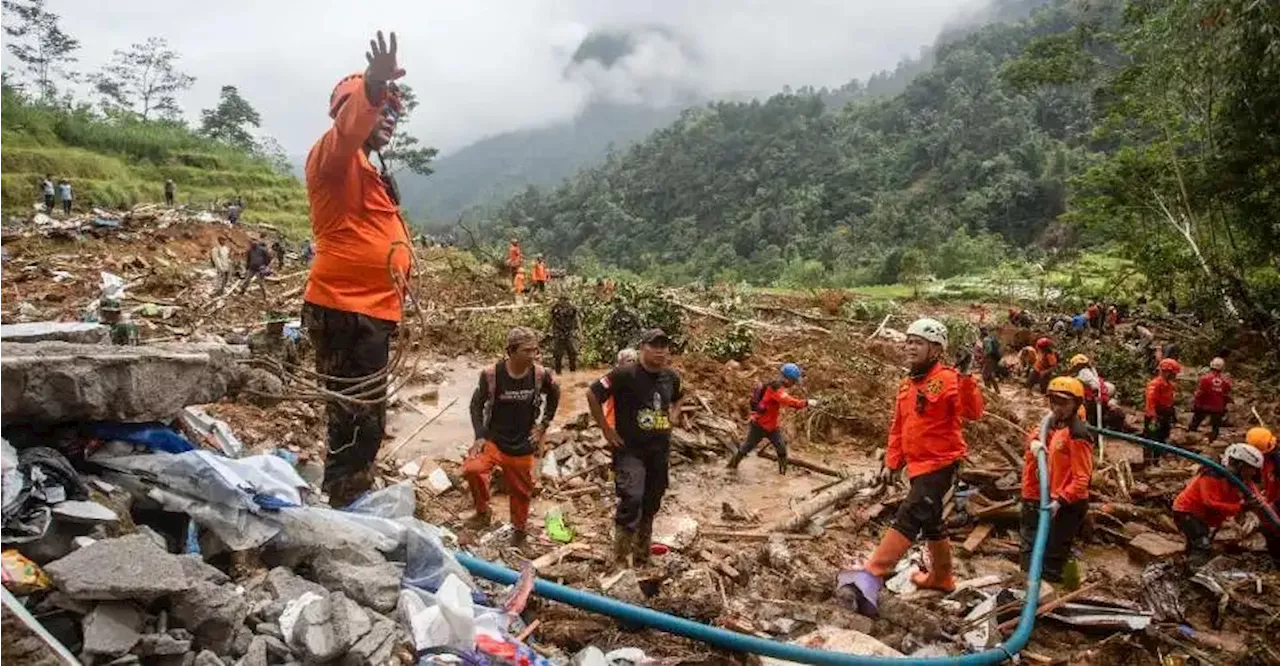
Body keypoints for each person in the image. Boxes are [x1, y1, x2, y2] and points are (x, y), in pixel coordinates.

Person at [302, 31, 413, 506]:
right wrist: (373, 84)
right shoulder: (333, 158)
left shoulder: (368, 169)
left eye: (393, 111)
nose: (388, 118)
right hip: (347, 309)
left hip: (369, 311)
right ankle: (345, 504)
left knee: (364, 415)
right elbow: (349, 127)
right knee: (357, 418)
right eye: (379, 109)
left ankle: (349, 494)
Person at [844, 318, 983, 617]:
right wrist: (893, 462)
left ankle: (872, 573)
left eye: (917, 343)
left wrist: (967, 376)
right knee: (932, 521)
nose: (909, 347)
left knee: (911, 513)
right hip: (918, 465)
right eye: (908, 341)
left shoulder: (948, 379)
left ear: (935, 350)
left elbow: (973, 412)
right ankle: (942, 577)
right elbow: (898, 427)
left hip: (942, 464)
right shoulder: (907, 385)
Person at [587, 329, 685, 567]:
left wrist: (674, 413)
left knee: (652, 501)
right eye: (655, 346)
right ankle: (620, 559)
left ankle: (642, 556)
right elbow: (593, 393)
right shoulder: (624, 374)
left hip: (659, 451)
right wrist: (606, 429)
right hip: (629, 450)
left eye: (665, 346)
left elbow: (680, 396)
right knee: (632, 497)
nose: (661, 351)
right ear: (643, 347)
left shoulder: (670, 376)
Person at [463, 326, 560, 548]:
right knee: (472, 470)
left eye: (535, 350)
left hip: (523, 442)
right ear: (511, 351)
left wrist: (543, 426)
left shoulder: (540, 375)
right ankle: (482, 512)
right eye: (527, 350)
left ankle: (519, 532)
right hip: (494, 439)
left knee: (521, 492)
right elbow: (476, 405)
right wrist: (479, 436)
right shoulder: (491, 375)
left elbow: (555, 394)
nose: (533, 355)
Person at [1019, 377, 1094, 583]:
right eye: (1054, 401)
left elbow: (1082, 479)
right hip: (1053, 497)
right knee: (1035, 545)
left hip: (1067, 504)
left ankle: (1045, 596)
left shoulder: (1077, 435)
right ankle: (1028, 585)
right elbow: (1035, 435)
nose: (1057, 407)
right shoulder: (1054, 424)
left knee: (1053, 553)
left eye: (1063, 403)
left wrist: (1060, 501)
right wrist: (1034, 443)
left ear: (1076, 404)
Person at [1174, 443, 1262, 565]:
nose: (1253, 473)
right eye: (1250, 469)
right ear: (1240, 464)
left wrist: (1257, 504)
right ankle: (1193, 572)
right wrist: (1240, 507)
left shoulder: (1240, 479)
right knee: (1201, 544)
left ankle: (1186, 566)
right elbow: (1210, 502)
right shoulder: (1212, 474)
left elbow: (1257, 497)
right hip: (1187, 511)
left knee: (1197, 543)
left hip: (1203, 516)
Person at [726, 363, 815, 475]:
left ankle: (782, 475)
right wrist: (806, 403)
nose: (793, 384)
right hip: (759, 425)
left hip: (771, 426)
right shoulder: (775, 389)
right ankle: (730, 468)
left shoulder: (774, 386)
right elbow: (789, 402)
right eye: (793, 381)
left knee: (781, 449)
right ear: (787, 379)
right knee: (746, 448)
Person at [1247, 428, 1280, 563]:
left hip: (1276, 503)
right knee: (1267, 527)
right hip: (1271, 499)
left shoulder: (1278, 461)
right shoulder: (1264, 460)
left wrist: (1275, 505)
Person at [1190, 357, 1232, 442]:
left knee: (1194, 423)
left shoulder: (1205, 379)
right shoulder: (1226, 382)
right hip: (1218, 408)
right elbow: (1226, 395)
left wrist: (1194, 403)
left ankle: (1190, 437)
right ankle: (1212, 441)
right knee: (1215, 428)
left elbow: (1200, 393)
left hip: (1203, 406)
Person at [1144, 358, 1181, 456]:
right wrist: (1153, 416)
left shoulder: (1168, 385)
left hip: (1165, 415)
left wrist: (1173, 416)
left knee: (1162, 437)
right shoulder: (1155, 384)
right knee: (1152, 438)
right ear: (1167, 372)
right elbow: (1150, 401)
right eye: (1173, 373)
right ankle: (1148, 461)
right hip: (1155, 415)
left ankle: (1157, 459)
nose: (1175, 375)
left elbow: (1169, 401)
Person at [600, 348, 638, 430]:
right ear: (620, 363)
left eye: (634, 361)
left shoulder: (637, 377)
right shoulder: (612, 377)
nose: (632, 363)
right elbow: (595, 394)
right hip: (613, 422)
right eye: (629, 360)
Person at [1067, 354, 1107, 427]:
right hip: (1098, 399)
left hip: (1094, 400)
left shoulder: (1084, 372)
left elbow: (1094, 385)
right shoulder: (1090, 371)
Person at [549, 293, 579, 374]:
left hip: (569, 333)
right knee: (558, 354)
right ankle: (558, 372)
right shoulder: (555, 308)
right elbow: (551, 319)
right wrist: (546, 330)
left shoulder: (572, 308)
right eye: (562, 300)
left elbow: (576, 319)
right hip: (558, 334)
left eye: (565, 300)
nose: (564, 302)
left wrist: (579, 331)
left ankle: (573, 372)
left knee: (572, 353)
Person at [980, 327, 1002, 392]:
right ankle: (996, 390)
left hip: (989, 358)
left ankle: (988, 390)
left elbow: (988, 350)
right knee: (989, 374)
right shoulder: (991, 338)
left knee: (984, 374)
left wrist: (984, 357)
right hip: (994, 358)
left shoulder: (986, 340)